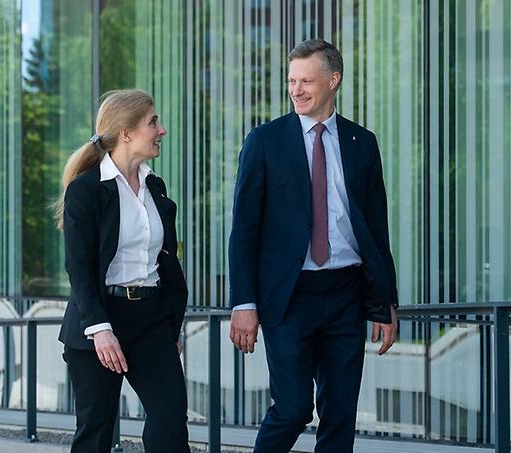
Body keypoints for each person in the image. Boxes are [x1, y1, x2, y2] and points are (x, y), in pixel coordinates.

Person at [228, 39, 399, 453]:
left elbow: (377, 229)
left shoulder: (363, 143)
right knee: (292, 407)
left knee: (340, 412)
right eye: (291, 80)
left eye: (307, 80)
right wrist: (243, 302)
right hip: (289, 295)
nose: (297, 90)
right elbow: (244, 228)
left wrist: (385, 301)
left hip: (346, 292)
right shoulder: (265, 141)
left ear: (333, 80)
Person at [56, 89, 190, 453]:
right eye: (153, 122)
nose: (161, 130)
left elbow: (166, 259)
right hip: (97, 323)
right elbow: (79, 269)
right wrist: (100, 330)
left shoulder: (155, 188)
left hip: (151, 321)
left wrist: (170, 322)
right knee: (95, 432)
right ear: (126, 133)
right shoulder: (86, 191)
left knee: (170, 425)